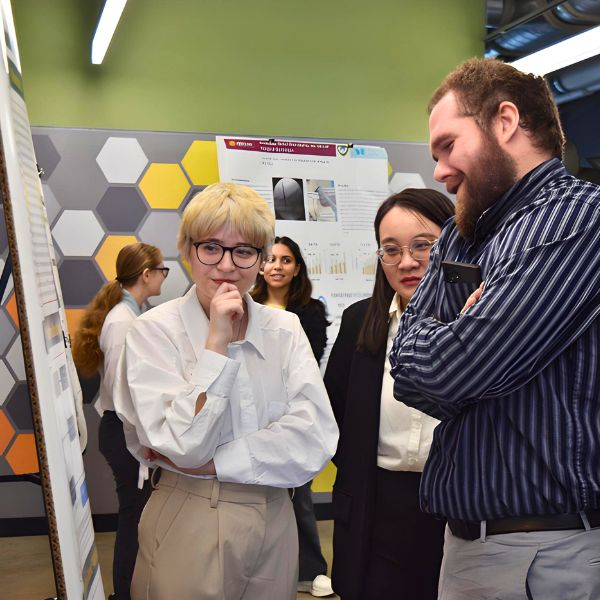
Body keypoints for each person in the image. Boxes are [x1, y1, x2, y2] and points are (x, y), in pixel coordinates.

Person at [389, 57, 600, 599]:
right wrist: (453, 339)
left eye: (447, 145)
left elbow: (453, 371)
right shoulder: (465, 234)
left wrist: (451, 343)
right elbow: (409, 371)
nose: (438, 170)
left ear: (505, 122)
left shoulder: (578, 220)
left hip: (545, 553)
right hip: (472, 547)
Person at [113, 183, 338, 600]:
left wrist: (219, 462)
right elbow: (184, 446)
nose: (227, 265)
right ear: (187, 249)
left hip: (276, 512)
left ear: (260, 258)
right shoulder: (152, 332)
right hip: (191, 510)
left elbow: (314, 436)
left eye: (245, 251)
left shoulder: (284, 328)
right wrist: (215, 344)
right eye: (211, 247)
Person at [324, 189, 454, 599]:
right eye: (391, 250)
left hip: (455, 508)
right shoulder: (361, 320)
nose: (407, 262)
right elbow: (334, 412)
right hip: (374, 506)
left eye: (422, 246)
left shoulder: (480, 321)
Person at [72, 242, 168, 600]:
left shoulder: (127, 317)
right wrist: (143, 441)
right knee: (133, 519)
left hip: (124, 430)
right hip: (123, 432)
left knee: (136, 517)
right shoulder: (123, 322)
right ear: (147, 274)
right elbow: (121, 392)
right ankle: (124, 595)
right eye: (162, 270)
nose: (163, 276)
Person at [251, 235, 334, 598]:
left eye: (285, 260)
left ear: (297, 267)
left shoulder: (311, 311)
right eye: (270, 259)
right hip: (252, 411)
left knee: (298, 494)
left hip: (291, 412)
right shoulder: (247, 304)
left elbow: (307, 366)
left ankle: (311, 569)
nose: (276, 266)